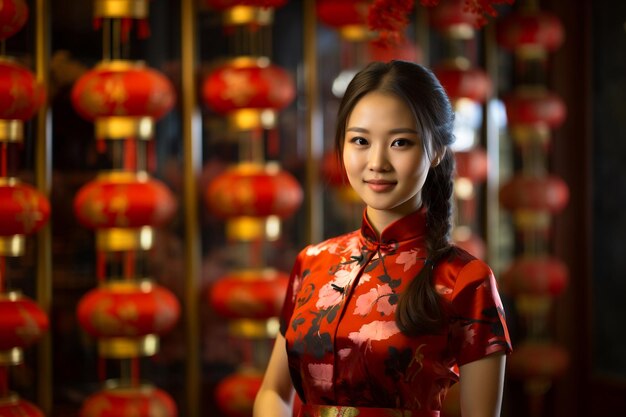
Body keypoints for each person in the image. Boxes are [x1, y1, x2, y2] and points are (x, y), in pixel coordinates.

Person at [253, 60, 512, 417]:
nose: (377, 162)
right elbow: (274, 392)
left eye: (400, 142)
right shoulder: (312, 263)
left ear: (435, 152)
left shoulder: (465, 281)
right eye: (360, 140)